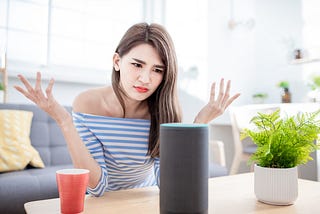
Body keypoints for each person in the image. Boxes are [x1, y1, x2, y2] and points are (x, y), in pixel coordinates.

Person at [14, 22, 240, 197]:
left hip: (145, 199)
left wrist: (200, 122)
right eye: (137, 64)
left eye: (157, 69)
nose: (145, 78)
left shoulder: (165, 111)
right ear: (116, 61)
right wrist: (64, 120)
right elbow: (97, 187)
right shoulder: (87, 104)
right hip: (102, 203)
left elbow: (168, 183)